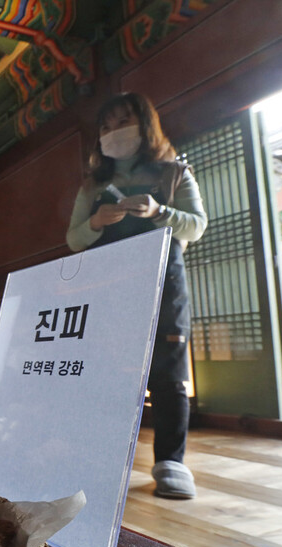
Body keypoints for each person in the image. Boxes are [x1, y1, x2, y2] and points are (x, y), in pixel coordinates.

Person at [67, 93, 208, 499]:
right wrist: (95, 220)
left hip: (165, 283)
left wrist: (158, 211)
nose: (113, 133)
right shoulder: (93, 183)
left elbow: (196, 226)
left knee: (168, 373)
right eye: (106, 127)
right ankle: (106, 459)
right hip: (109, 286)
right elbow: (74, 239)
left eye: (122, 123)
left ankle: (170, 461)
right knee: (108, 374)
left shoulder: (174, 173)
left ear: (145, 125)